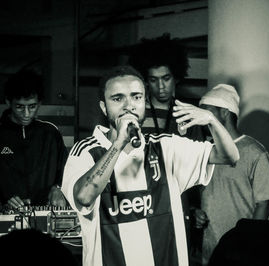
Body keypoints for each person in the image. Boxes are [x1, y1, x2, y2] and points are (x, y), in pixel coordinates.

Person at [61, 65, 239, 266]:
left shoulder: (165, 145)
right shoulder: (85, 151)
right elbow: (84, 197)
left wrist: (211, 120)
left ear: (144, 101)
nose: (129, 105)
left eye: (136, 97)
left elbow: (229, 156)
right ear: (104, 107)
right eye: (118, 99)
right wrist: (118, 143)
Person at [128, 33, 206, 254]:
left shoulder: (188, 116)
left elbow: (199, 168)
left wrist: (194, 206)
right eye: (153, 80)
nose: (161, 86)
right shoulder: (134, 115)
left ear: (177, 77)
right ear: (144, 80)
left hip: (176, 203)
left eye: (166, 78)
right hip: (137, 202)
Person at [193, 84, 269, 265]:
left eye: (207, 112)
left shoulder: (255, 152)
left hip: (241, 255)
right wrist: (194, 212)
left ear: (224, 112)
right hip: (210, 253)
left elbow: (264, 203)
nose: (202, 118)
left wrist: (249, 247)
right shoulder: (206, 150)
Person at [0, 69, 68, 210]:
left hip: (46, 215)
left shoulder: (51, 133)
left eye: (32, 107)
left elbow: (67, 173)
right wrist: (4, 201)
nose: (26, 114)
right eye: (19, 107)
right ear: (8, 102)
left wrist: (58, 189)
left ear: (40, 103)